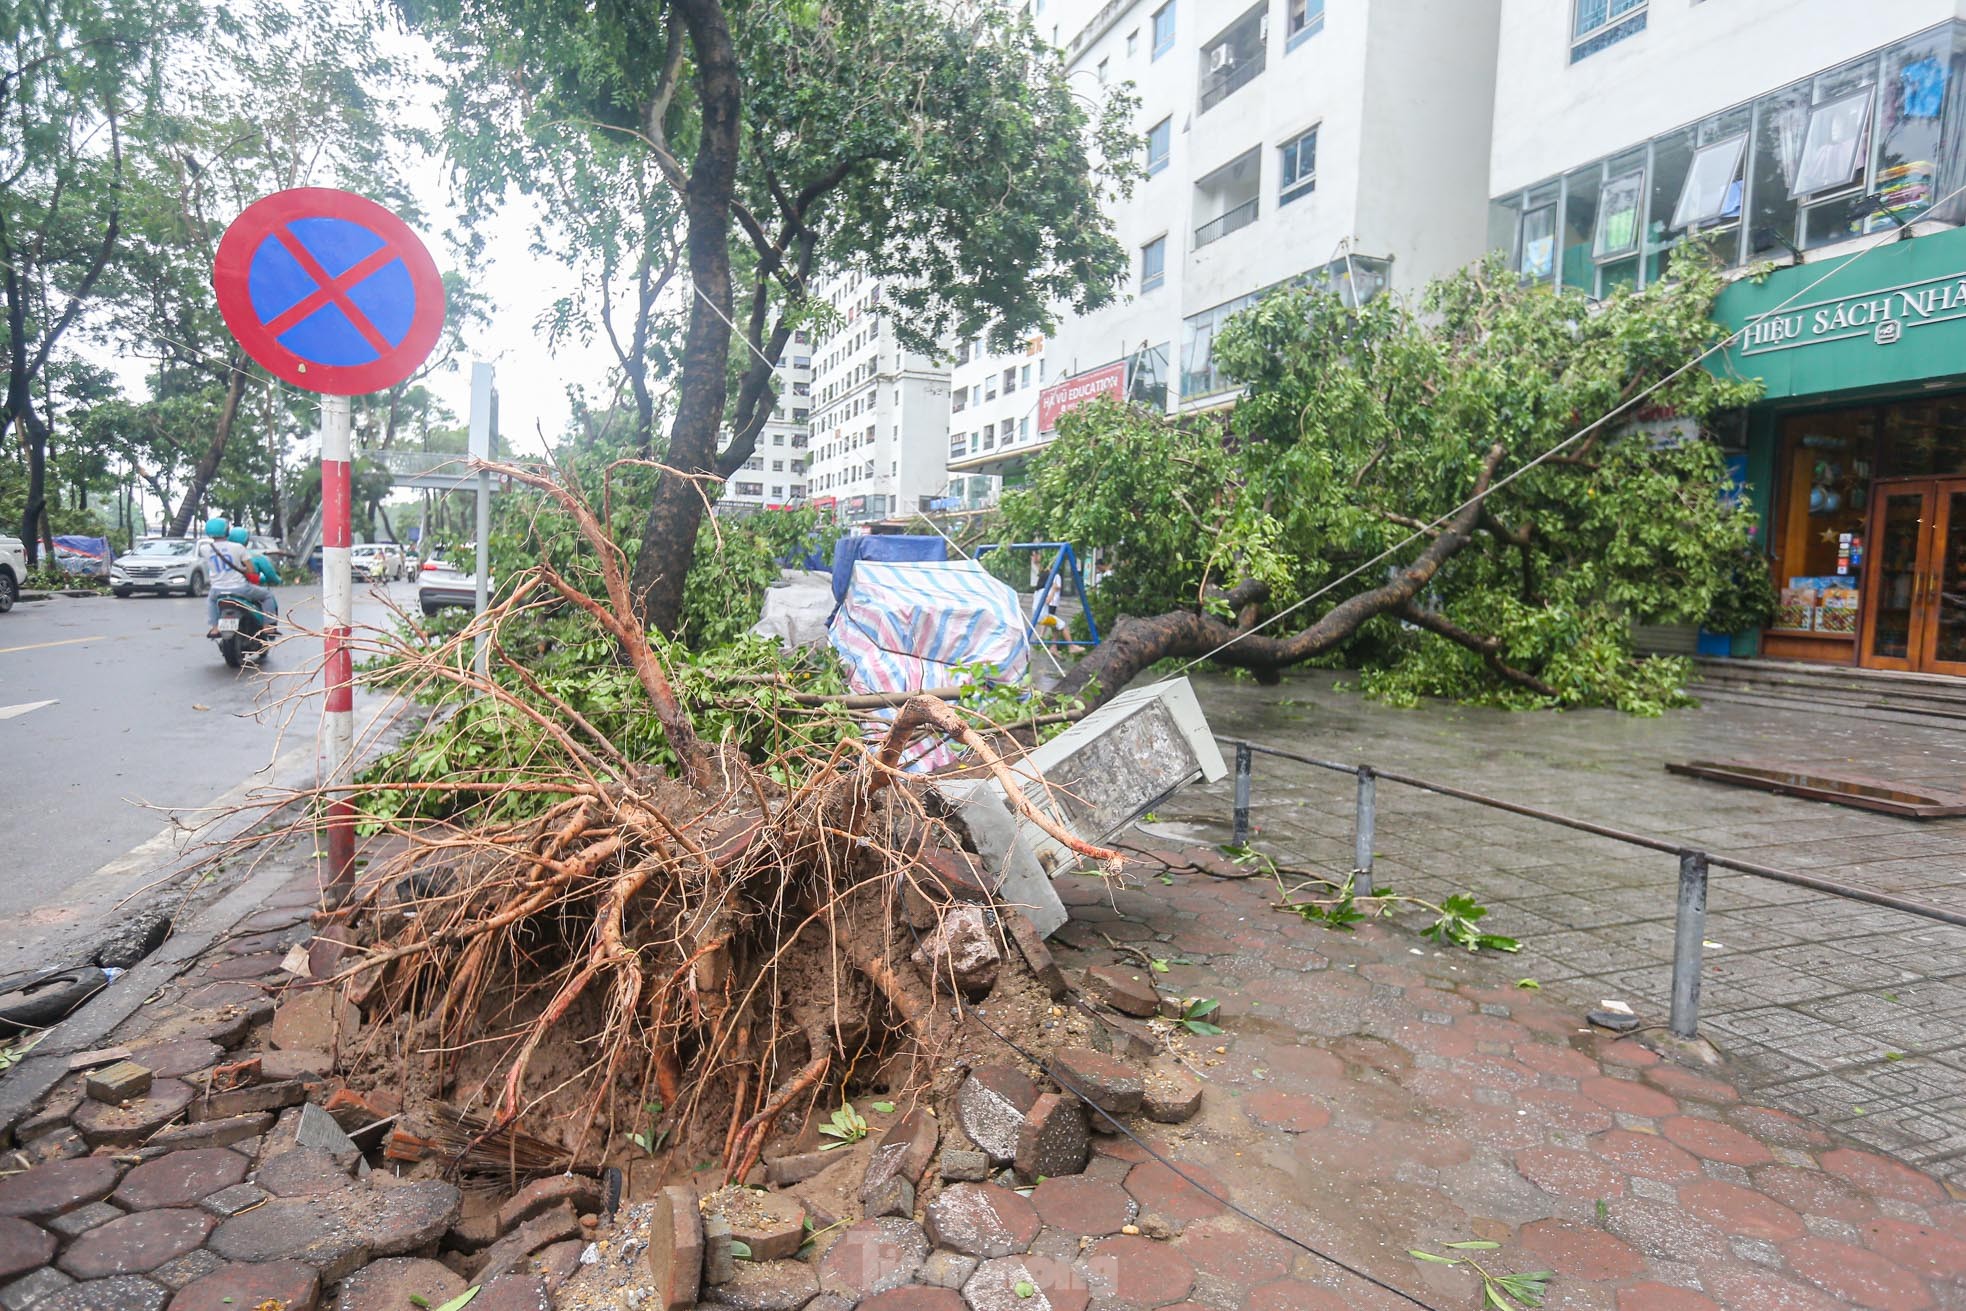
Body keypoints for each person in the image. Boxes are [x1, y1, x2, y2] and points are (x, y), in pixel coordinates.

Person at [200, 517, 278, 637]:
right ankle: (267, 627)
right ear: (226, 531)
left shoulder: (204, 549)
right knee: (267, 595)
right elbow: (251, 570)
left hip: (217, 590)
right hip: (240, 588)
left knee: (210, 600)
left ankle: (215, 628)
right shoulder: (238, 548)